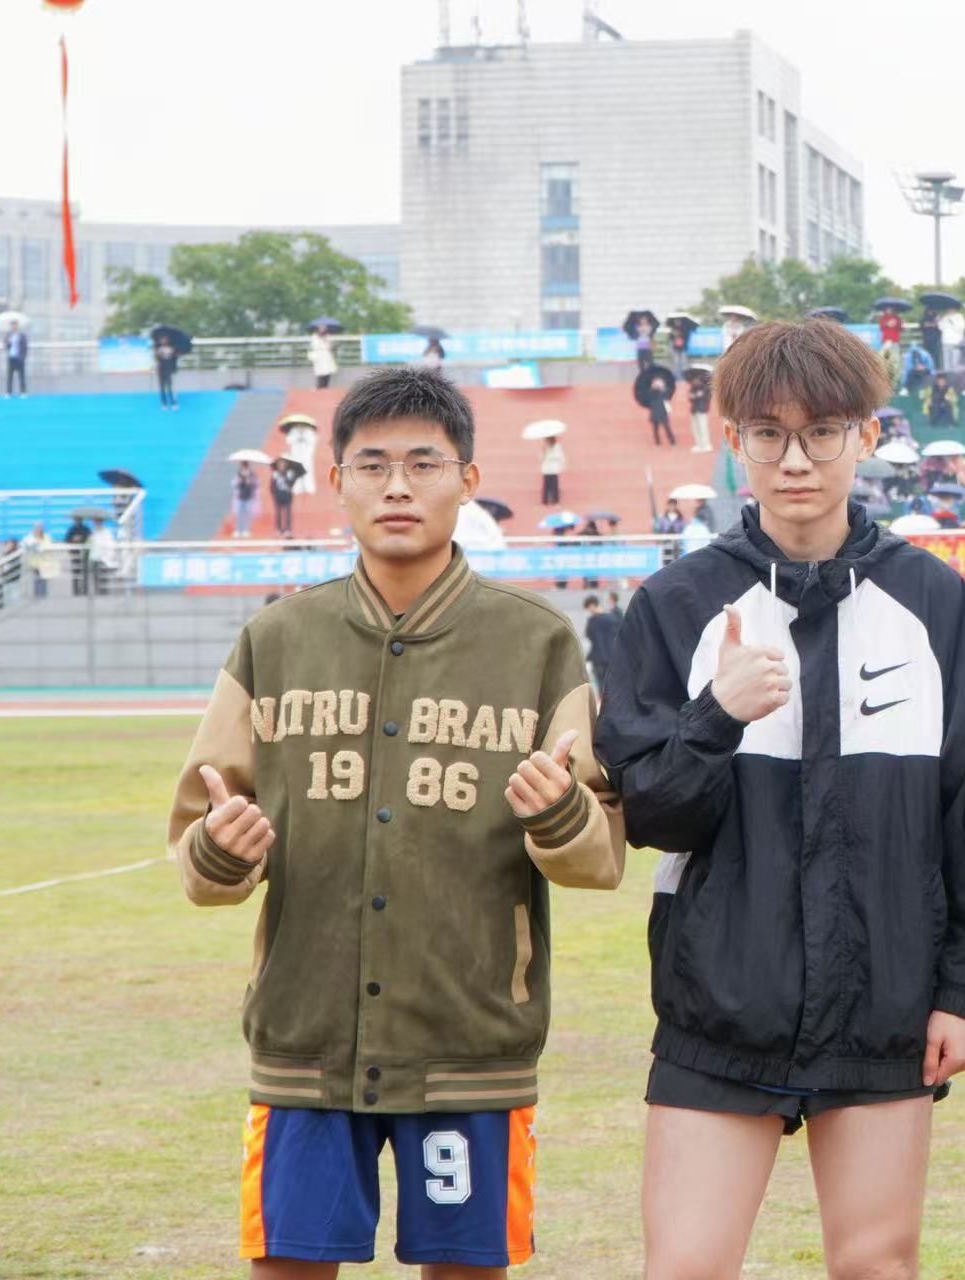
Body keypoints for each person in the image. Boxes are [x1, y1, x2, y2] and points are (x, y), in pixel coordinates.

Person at [165, 366, 625, 1278]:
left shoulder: (537, 642)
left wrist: (560, 813)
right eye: (373, 465)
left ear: (468, 478)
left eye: (424, 463)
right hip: (305, 1041)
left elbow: (600, 854)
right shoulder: (276, 640)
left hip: (469, 1043)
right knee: (289, 1265)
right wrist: (218, 849)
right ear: (336, 482)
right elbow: (198, 842)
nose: (398, 487)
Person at [598, 318, 965, 1278]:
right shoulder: (675, 604)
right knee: (686, 1269)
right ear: (733, 439)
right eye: (768, 435)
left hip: (886, 1005)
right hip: (719, 1006)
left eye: (822, 432)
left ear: (865, 435)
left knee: (877, 1266)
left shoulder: (931, 597)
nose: (795, 461)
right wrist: (716, 716)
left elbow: (963, 814)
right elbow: (654, 816)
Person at [636, 364, 679, 447]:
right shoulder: (650, 392)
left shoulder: (665, 391)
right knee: (655, 428)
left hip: (663, 411)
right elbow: (647, 398)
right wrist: (653, 388)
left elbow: (668, 395)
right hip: (654, 411)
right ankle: (657, 442)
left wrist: (662, 388)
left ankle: (672, 442)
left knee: (666, 427)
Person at [24, 521, 56, 599]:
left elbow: (50, 546)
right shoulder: (30, 537)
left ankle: (43, 596)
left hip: (45, 561)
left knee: (44, 579)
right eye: (37, 527)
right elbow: (25, 545)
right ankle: (37, 596)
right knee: (37, 579)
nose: (38, 529)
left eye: (40, 527)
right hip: (35, 562)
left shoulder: (47, 536)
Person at [687, 366, 715, 453]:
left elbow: (707, 398)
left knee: (703, 427)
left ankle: (706, 444)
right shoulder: (693, 387)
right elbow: (690, 398)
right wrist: (693, 396)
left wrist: (699, 395)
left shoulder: (706, 387)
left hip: (702, 409)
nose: (695, 380)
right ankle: (698, 444)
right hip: (694, 409)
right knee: (695, 428)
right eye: (694, 379)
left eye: (697, 379)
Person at [231, 461, 260, 538]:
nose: (243, 467)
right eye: (242, 466)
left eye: (245, 466)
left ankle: (246, 530)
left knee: (247, 514)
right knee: (239, 514)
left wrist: (250, 482)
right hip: (240, 497)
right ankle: (238, 530)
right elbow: (233, 484)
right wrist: (238, 482)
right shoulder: (238, 474)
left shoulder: (252, 474)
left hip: (249, 497)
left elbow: (256, 484)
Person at [2, 319, 29, 397]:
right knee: (10, 376)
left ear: (17, 326)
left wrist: (23, 356)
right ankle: (8, 392)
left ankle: (23, 392)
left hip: (19, 358)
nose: (14, 326)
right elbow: (5, 346)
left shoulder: (21, 335)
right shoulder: (8, 335)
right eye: (12, 325)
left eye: (15, 325)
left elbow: (25, 346)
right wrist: (8, 342)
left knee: (21, 376)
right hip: (11, 357)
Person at [156, 333, 183, 409]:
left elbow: (175, 358)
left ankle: (173, 402)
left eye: (165, 339)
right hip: (161, 368)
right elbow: (157, 359)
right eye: (162, 339)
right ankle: (164, 403)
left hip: (169, 368)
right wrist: (159, 353)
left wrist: (174, 354)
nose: (163, 340)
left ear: (168, 340)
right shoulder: (158, 348)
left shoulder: (172, 348)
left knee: (169, 385)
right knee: (162, 386)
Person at [269, 464, 297, 538]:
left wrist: (286, 477)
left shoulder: (289, 474)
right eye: (280, 466)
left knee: (288, 513)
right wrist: (274, 493)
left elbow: (292, 483)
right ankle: (279, 529)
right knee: (278, 513)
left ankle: (288, 529)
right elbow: (272, 486)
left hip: (287, 495)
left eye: (283, 466)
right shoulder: (275, 475)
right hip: (278, 495)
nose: (282, 468)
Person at [539, 436, 566, 506]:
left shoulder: (557, 447)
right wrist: (543, 452)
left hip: (554, 469)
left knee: (554, 486)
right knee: (546, 486)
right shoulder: (544, 447)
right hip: (546, 469)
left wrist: (562, 466)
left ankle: (555, 501)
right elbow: (541, 458)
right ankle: (545, 501)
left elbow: (560, 457)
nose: (546, 442)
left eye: (547, 440)